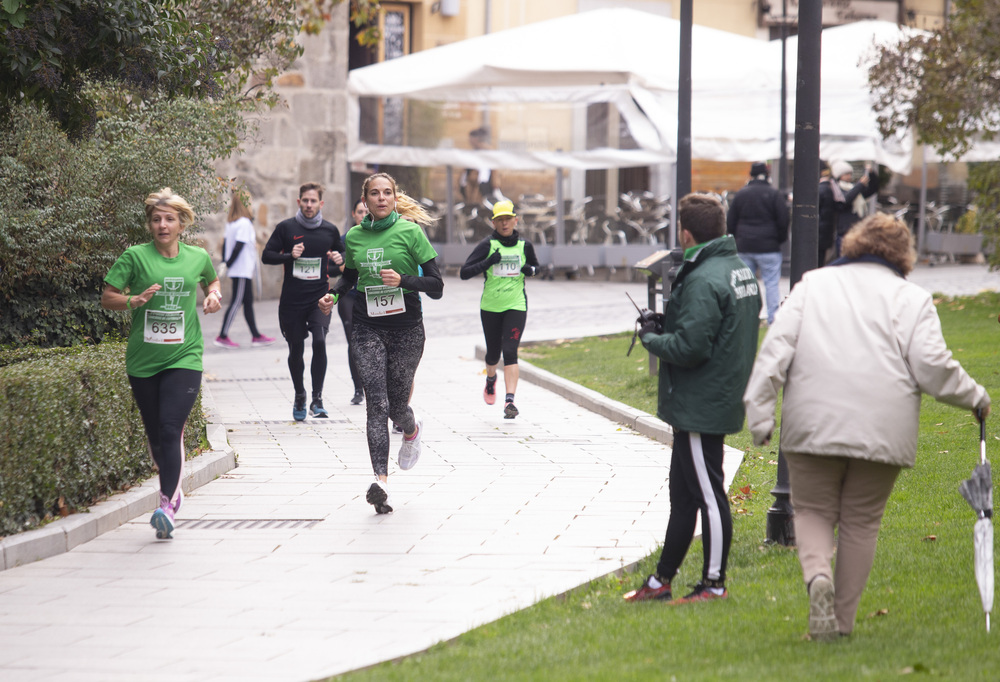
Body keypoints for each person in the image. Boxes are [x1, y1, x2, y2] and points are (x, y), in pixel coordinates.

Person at [742, 212, 991, 641]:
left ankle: (817, 576)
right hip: (883, 427)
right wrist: (975, 397)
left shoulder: (812, 285)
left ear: (852, 243)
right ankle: (840, 622)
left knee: (813, 510)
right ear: (904, 256)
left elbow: (774, 351)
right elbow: (932, 366)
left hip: (812, 421)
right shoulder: (911, 299)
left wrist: (760, 415)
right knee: (861, 522)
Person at [624, 193, 761, 604]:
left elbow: (691, 348)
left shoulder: (704, 276)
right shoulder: (736, 268)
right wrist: (670, 322)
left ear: (685, 232)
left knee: (709, 495)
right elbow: (710, 329)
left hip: (701, 404)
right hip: (708, 398)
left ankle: (714, 583)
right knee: (683, 497)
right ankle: (661, 580)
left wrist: (651, 336)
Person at [101, 187, 222, 540]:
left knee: (172, 428)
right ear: (149, 224)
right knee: (156, 437)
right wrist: (133, 300)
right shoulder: (135, 257)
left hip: (184, 355)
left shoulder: (197, 257)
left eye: (169, 219)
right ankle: (171, 486)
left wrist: (213, 295)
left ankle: (167, 503)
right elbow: (108, 298)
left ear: (182, 223)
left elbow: (211, 280)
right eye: (156, 219)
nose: (163, 224)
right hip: (143, 360)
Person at [318, 172, 443, 515]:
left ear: (394, 197)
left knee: (397, 406)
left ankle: (412, 429)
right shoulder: (356, 237)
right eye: (375, 193)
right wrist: (334, 294)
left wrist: (404, 280)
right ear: (366, 200)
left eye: (387, 192)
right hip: (367, 327)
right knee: (377, 401)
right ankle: (381, 482)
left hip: (406, 330)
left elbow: (436, 285)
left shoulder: (410, 232)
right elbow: (352, 275)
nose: (382, 198)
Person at [262, 182, 344, 421]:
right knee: (296, 350)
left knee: (320, 341)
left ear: (321, 203)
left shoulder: (330, 231)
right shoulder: (286, 228)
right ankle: (300, 394)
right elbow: (267, 256)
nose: (309, 205)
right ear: (299, 202)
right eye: (305, 201)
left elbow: (342, 256)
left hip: (319, 298)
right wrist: (289, 255)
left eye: (313, 201)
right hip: (292, 300)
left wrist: (340, 257)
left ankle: (317, 399)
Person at [459, 199, 539, 418]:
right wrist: (488, 262)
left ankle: (509, 401)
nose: (505, 224)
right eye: (500, 220)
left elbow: (536, 268)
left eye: (508, 219)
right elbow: (464, 273)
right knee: (493, 354)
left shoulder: (525, 245)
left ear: (516, 220)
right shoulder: (487, 245)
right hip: (491, 306)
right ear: (493, 223)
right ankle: (491, 378)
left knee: (510, 350)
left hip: (516, 304)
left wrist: (528, 270)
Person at [726, 161, 789, 326]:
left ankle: (744, 319)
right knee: (771, 284)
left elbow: (730, 221)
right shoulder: (774, 194)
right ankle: (772, 320)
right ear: (767, 175)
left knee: (744, 286)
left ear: (751, 175)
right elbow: (783, 220)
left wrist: (737, 238)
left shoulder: (741, 194)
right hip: (769, 247)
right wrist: (778, 240)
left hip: (744, 246)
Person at [214, 190, 274, 349]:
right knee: (236, 302)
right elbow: (239, 246)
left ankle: (256, 335)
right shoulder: (244, 223)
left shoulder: (231, 223)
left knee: (248, 302)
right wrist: (228, 263)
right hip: (241, 270)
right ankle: (222, 335)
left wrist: (225, 262)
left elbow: (227, 244)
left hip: (240, 270)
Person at [337, 198, 367, 405]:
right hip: (348, 295)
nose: (363, 215)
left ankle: (371, 382)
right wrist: (340, 266)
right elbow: (331, 268)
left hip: (368, 295)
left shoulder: (377, 237)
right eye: (360, 212)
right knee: (353, 340)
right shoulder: (345, 239)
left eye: (366, 212)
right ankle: (358, 388)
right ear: (353, 214)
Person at [829, 160, 880, 257]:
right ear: (839, 175)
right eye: (846, 174)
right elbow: (846, 200)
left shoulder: (853, 188)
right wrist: (860, 185)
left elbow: (872, 189)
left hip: (856, 229)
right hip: (844, 231)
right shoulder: (836, 189)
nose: (849, 176)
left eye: (850, 174)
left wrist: (871, 174)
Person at [460, 126, 503, 208]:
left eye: (471, 139)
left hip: (485, 184)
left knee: (484, 204)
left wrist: (495, 183)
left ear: (476, 139)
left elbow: (494, 170)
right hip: (474, 184)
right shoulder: (474, 152)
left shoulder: (488, 151)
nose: (470, 141)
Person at [816, 160, 838, 266]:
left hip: (819, 232)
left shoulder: (820, 190)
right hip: (826, 231)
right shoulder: (831, 188)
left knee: (817, 261)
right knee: (821, 260)